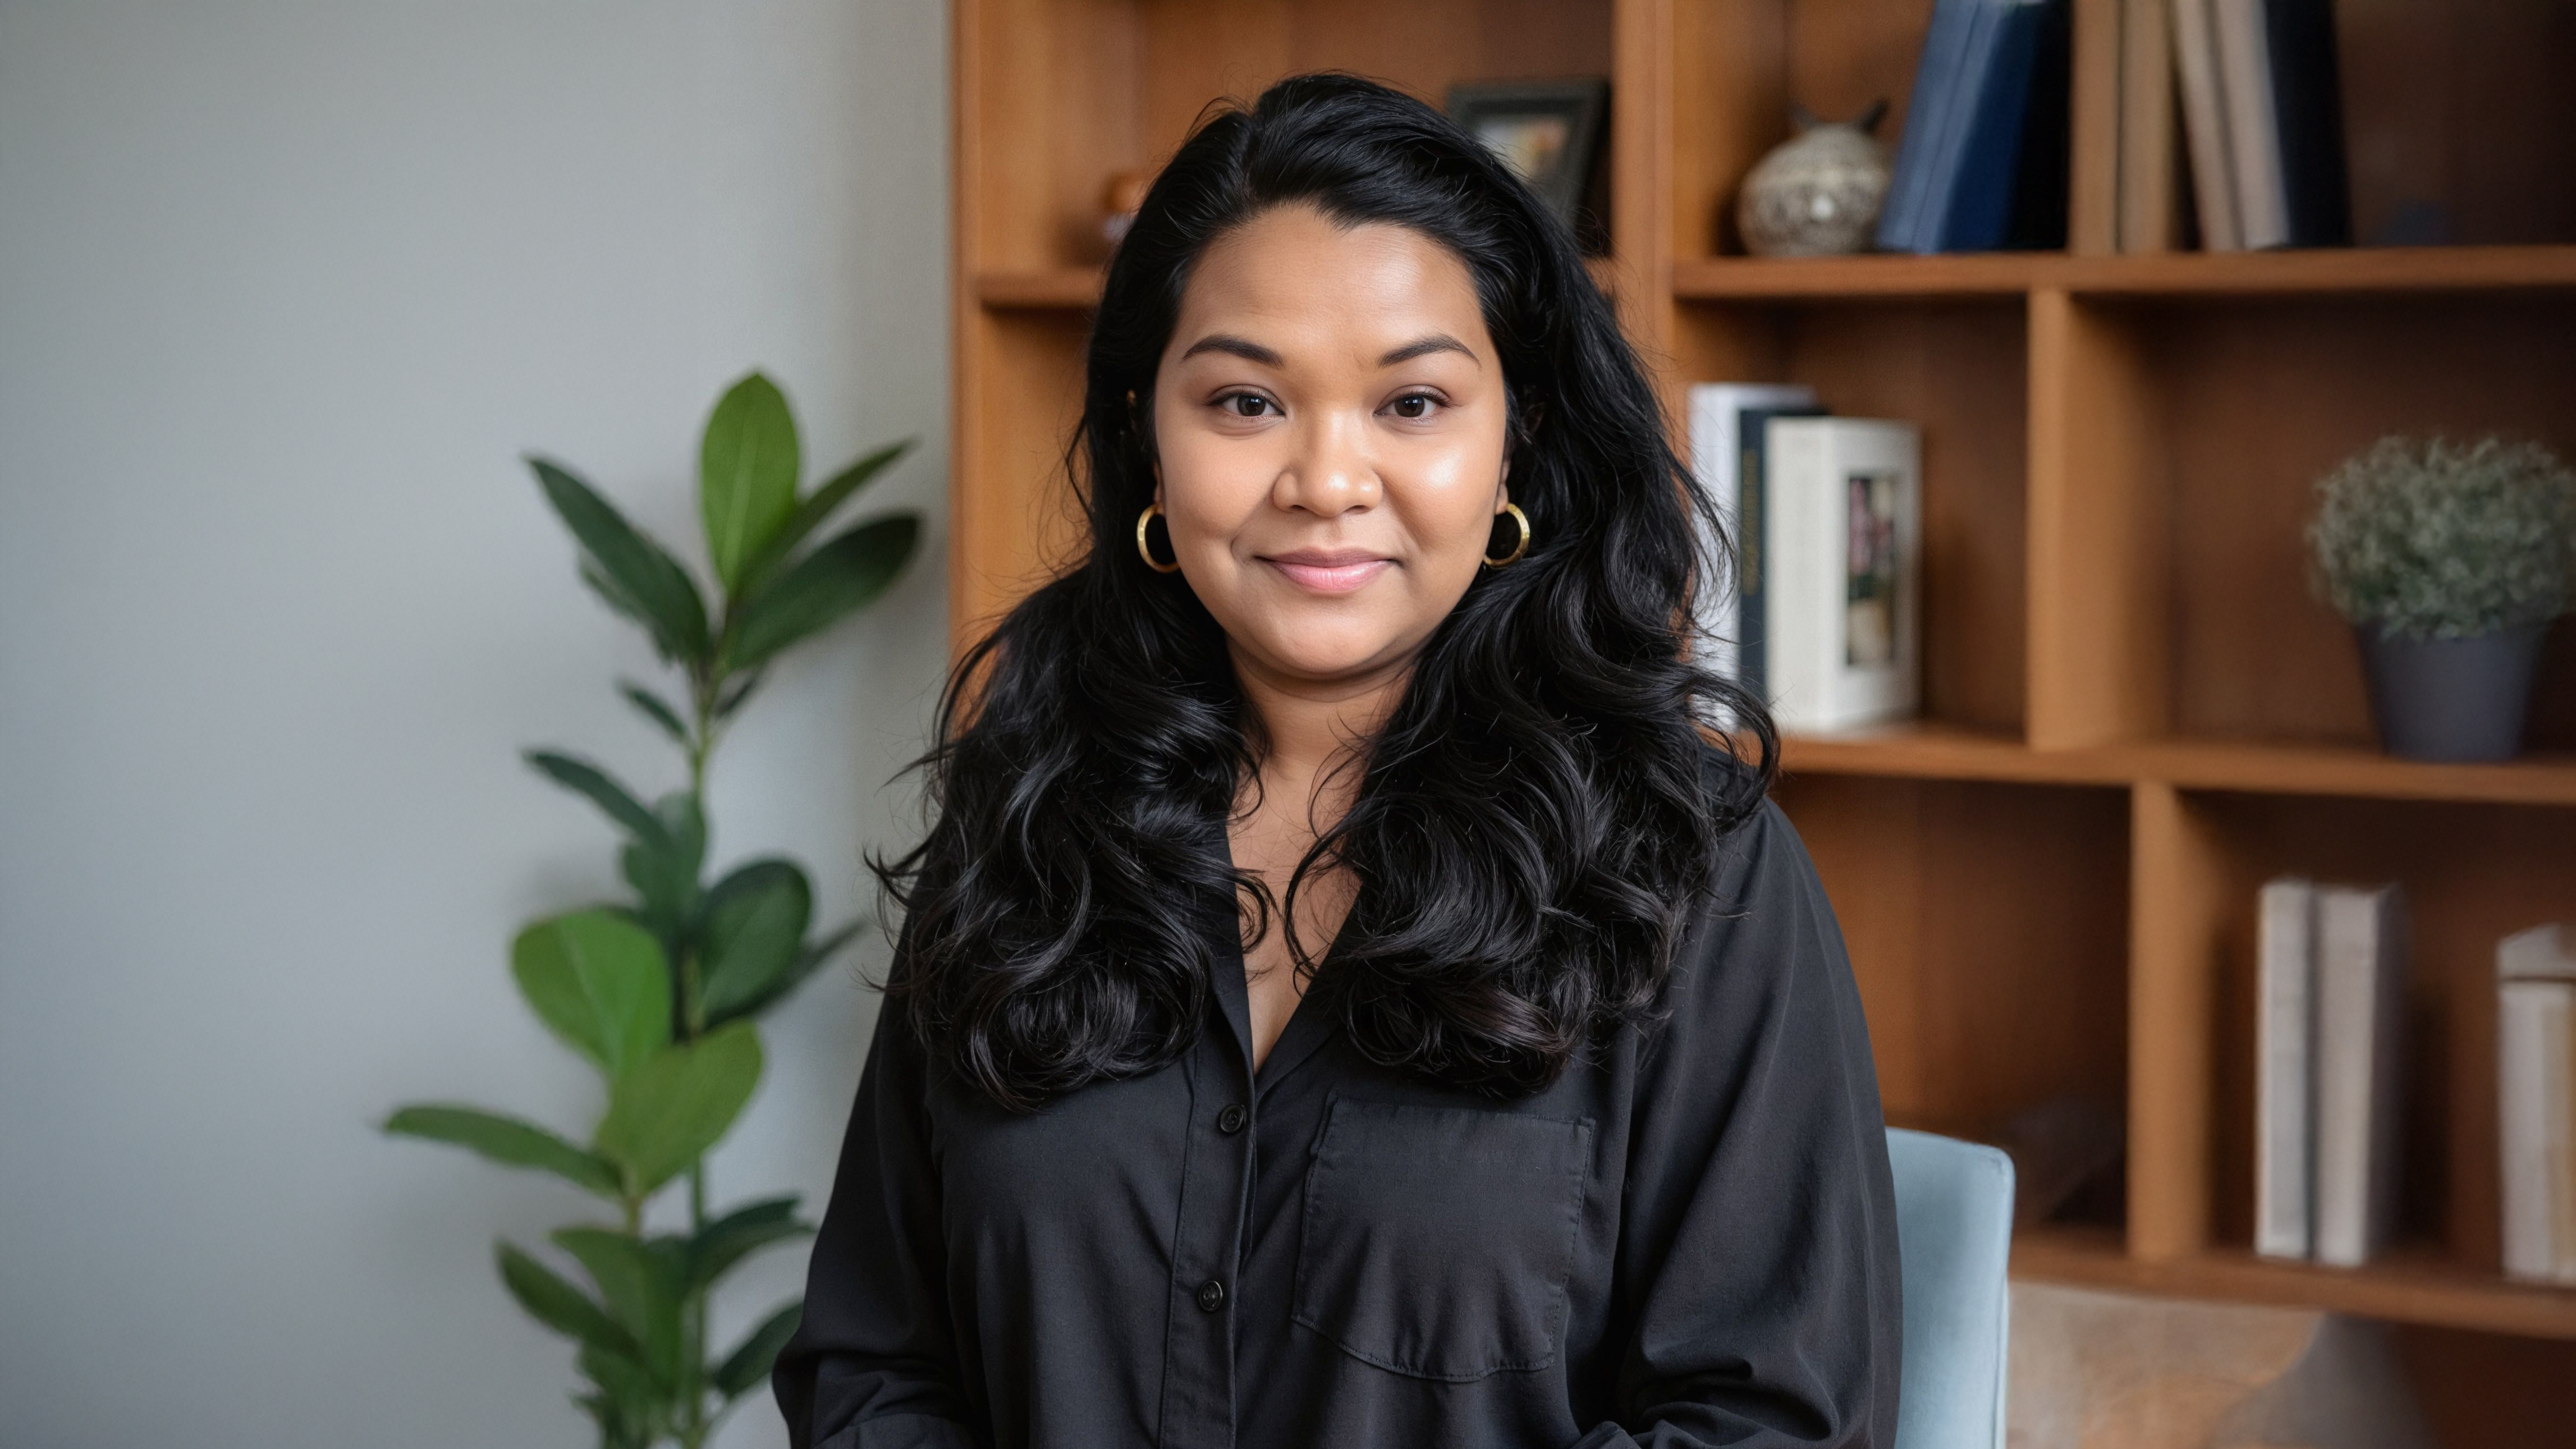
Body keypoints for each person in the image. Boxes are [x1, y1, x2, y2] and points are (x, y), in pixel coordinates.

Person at [773, 72, 1900, 1449]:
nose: (1325, 477)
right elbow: (875, 1368)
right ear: (1147, 431)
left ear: (1517, 436)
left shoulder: (1693, 868)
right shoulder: (1028, 819)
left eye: (1412, 403)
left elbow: (1769, 1419)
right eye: (1246, 403)